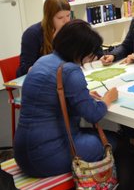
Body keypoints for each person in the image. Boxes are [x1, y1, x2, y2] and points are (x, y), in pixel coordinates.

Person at [14, 20, 119, 176]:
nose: (89, 59)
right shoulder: (70, 70)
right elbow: (93, 114)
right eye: (89, 54)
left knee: (94, 136)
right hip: (47, 156)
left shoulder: (43, 61)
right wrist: (108, 98)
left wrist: (81, 95)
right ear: (79, 50)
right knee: (114, 141)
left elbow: (52, 95)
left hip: (22, 152)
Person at [17, 0, 71, 77]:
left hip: (61, 74)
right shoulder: (32, 34)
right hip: (38, 78)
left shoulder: (69, 29)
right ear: (49, 18)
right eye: (60, 18)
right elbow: (25, 68)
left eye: (68, 15)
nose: (66, 21)